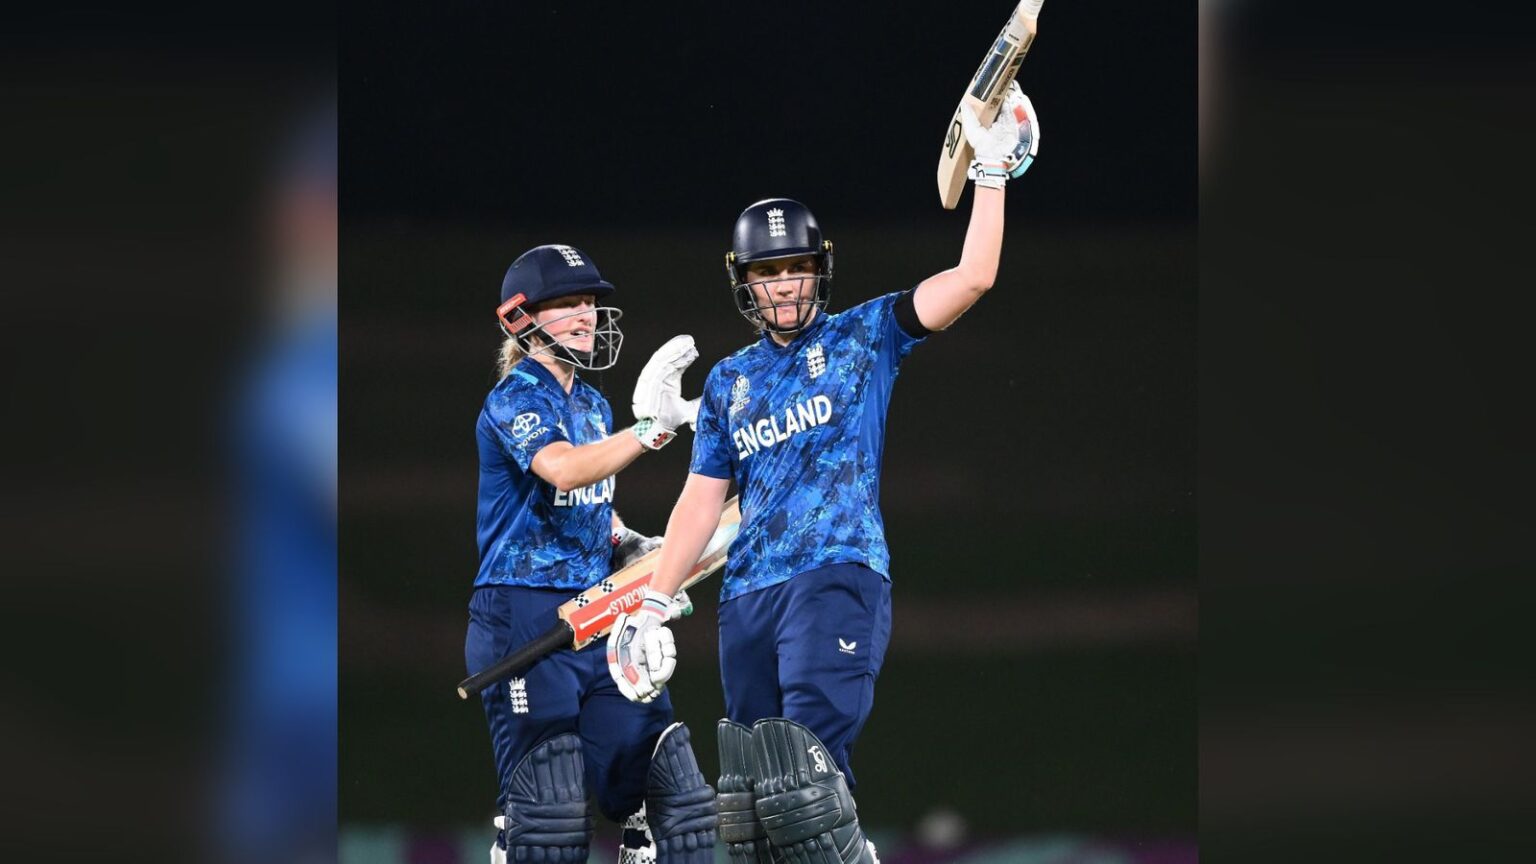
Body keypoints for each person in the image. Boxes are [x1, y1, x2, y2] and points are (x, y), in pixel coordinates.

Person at [607, 83, 1041, 863]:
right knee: (751, 814)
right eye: (768, 271)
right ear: (744, 281)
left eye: (798, 268)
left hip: (834, 575)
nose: (784, 284)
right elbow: (700, 503)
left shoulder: (866, 335)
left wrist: (991, 174)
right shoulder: (731, 382)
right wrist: (653, 602)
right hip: (746, 598)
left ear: (820, 270)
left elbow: (973, 277)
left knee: (805, 788)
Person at [466, 244, 716, 864]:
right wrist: (651, 432)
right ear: (521, 319)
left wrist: (627, 542)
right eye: (566, 304)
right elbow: (564, 471)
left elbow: (592, 507)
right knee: (550, 819)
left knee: (678, 802)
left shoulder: (593, 404)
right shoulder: (515, 397)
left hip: (599, 612)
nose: (586, 315)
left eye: (589, 303)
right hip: (524, 616)